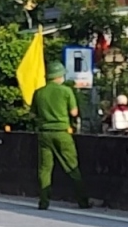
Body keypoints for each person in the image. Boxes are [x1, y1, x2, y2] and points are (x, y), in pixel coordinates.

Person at [32, 60, 90, 210]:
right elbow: (74, 112)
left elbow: (33, 114)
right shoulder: (66, 91)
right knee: (72, 167)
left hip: (44, 134)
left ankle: (43, 202)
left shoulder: (39, 93)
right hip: (62, 132)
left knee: (45, 169)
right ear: (59, 76)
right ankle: (82, 200)